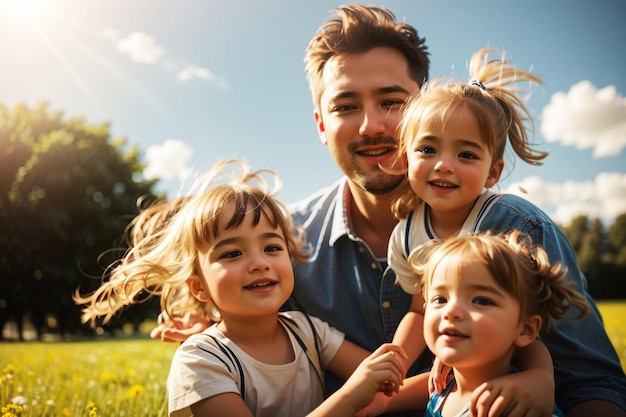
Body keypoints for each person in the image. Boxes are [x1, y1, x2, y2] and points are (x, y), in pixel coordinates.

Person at [151, 5, 626, 416]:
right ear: (321, 124)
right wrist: (222, 328)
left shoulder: (515, 228)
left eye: (391, 101)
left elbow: (593, 385)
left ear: (425, 108)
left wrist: (541, 379)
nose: (371, 125)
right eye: (345, 106)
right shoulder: (282, 239)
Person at [74, 159, 418, 417]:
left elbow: (388, 387)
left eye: (271, 247)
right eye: (233, 253)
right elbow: (361, 390)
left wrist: (456, 384)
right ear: (199, 287)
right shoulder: (202, 360)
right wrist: (350, 396)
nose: (259, 262)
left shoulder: (309, 331)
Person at [387, 47, 626, 415]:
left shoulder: (513, 224)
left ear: (493, 173)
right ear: (406, 161)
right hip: (476, 377)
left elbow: (555, 342)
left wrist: (539, 377)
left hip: (562, 380)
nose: (445, 165)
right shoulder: (406, 236)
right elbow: (420, 311)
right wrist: (394, 367)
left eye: (466, 155)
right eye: (428, 149)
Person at [358, 230, 591, 417]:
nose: (452, 311)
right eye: (440, 299)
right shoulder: (448, 388)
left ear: (526, 329)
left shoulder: (506, 405)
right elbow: (433, 391)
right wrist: (386, 401)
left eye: (481, 300)